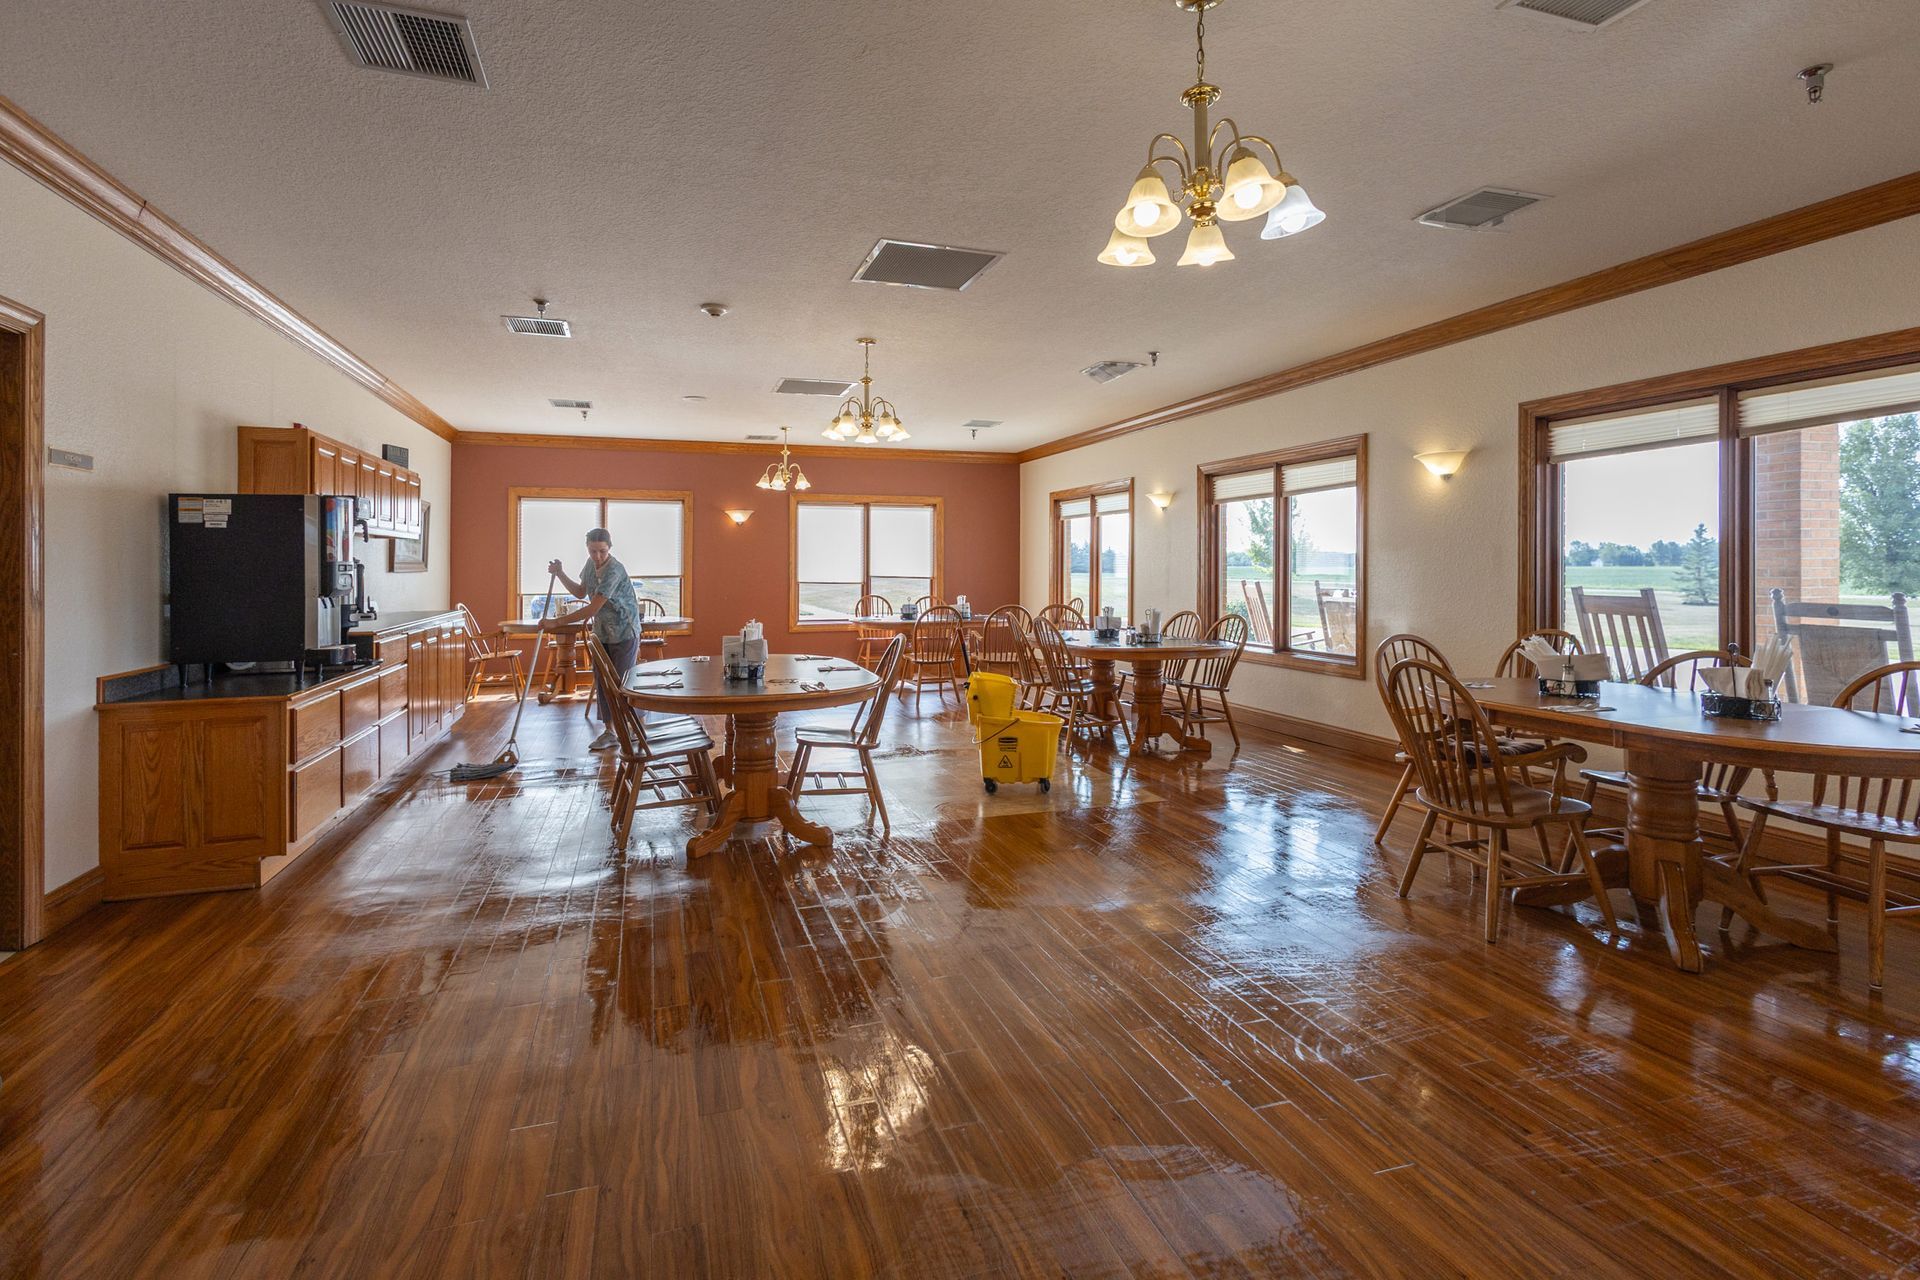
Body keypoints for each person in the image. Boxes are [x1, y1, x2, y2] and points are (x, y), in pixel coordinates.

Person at [544, 527, 642, 751]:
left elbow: (592, 608)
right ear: (587, 549)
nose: (597, 556)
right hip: (602, 632)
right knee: (603, 681)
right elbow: (580, 592)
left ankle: (633, 728)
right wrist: (560, 573)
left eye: (602, 551)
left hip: (624, 631)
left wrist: (556, 623)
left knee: (623, 682)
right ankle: (610, 732)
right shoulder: (590, 564)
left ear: (609, 548)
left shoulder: (615, 570)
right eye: (593, 551)